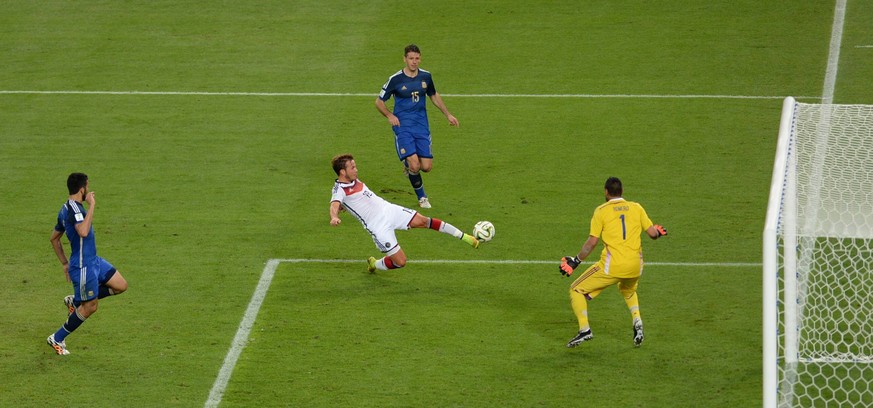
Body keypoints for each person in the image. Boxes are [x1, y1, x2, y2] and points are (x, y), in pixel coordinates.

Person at [558, 177, 667, 348]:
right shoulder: (636, 207)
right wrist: (659, 233)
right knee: (627, 289)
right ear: (622, 192)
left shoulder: (601, 211)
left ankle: (585, 329)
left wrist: (576, 261)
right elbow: (653, 233)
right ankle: (637, 320)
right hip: (636, 266)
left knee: (576, 289)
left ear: (606, 192)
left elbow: (592, 242)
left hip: (612, 267)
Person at [329, 154, 478, 272]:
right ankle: (375, 263)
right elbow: (334, 204)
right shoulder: (339, 189)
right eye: (353, 167)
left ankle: (465, 237)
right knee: (400, 262)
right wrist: (334, 216)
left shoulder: (352, 179)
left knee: (424, 221)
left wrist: (345, 206)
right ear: (343, 172)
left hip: (389, 210)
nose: (356, 169)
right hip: (378, 226)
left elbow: (352, 200)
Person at [47, 172, 128, 355]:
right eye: (87, 187)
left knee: (121, 285)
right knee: (91, 306)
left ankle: (75, 301)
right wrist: (92, 206)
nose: (88, 190)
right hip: (83, 266)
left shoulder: (65, 208)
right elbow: (83, 231)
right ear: (82, 189)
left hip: (94, 261)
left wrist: (64, 263)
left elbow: (54, 238)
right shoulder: (75, 210)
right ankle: (57, 338)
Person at [375, 43, 459, 209]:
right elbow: (379, 102)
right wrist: (390, 115)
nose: (414, 61)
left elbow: (433, 95)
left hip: (421, 126)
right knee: (415, 165)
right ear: (405, 59)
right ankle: (422, 197)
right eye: (411, 58)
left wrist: (447, 114)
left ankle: (408, 166)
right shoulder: (395, 79)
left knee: (426, 167)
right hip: (403, 127)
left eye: (417, 58)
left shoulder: (426, 77)